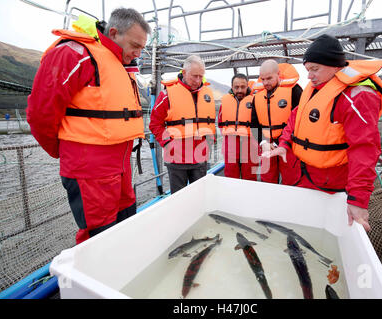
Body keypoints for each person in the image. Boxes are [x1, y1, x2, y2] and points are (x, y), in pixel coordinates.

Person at [26, 8, 151, 244]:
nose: (138, 53)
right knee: (99, 238)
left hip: (121, 167)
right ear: (114, 33)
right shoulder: (73, 53)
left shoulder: (120, 62)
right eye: (135, 45)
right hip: (90, 170)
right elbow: (40, 113)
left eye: (142, 47)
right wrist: (65, 152)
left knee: (126, 225)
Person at [264, 34, 382, 231]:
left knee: (322, 233)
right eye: (307, 70)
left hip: (331, 187)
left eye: (315, 69)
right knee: (298, 230)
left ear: (336, 66)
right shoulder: (314, 89)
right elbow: (295, 118)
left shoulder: (358, 96)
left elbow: (365, 149)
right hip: (303, 177)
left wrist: (358, 199)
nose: (309, 75)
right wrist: (284, 145)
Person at [149, 55, 216, 194]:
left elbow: (211, 123)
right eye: (194, 76)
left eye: (201, 76)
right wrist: (167, 143)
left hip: (200, 158)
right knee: (179, 198)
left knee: (199, 196)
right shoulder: (167, 95)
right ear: (184, 73)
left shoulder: (207, 93)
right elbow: (155, 124)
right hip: (176, 159)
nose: (198, 81)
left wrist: (210, 142)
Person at [250, 60, 303, 184]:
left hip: (289, 146)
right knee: (267, 181)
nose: (265, 83)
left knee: (291, 181)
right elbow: (254, 124)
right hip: (267, 146)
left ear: (278, 74)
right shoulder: (257, 97)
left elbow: (300, 121)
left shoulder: (294, 91)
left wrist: (284, 143)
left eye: (269, 78)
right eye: (262, 79)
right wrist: (263, 142)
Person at [218, 73, 259, 180]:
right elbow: (220, 122)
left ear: (247, 87)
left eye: (243, 87)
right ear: (232, 87)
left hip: (250, 145)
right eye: (236, 87)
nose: (239, 90)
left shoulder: (255, 100)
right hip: (230, 144)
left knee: (250, 178)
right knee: (230, 178)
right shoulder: (225, 102)